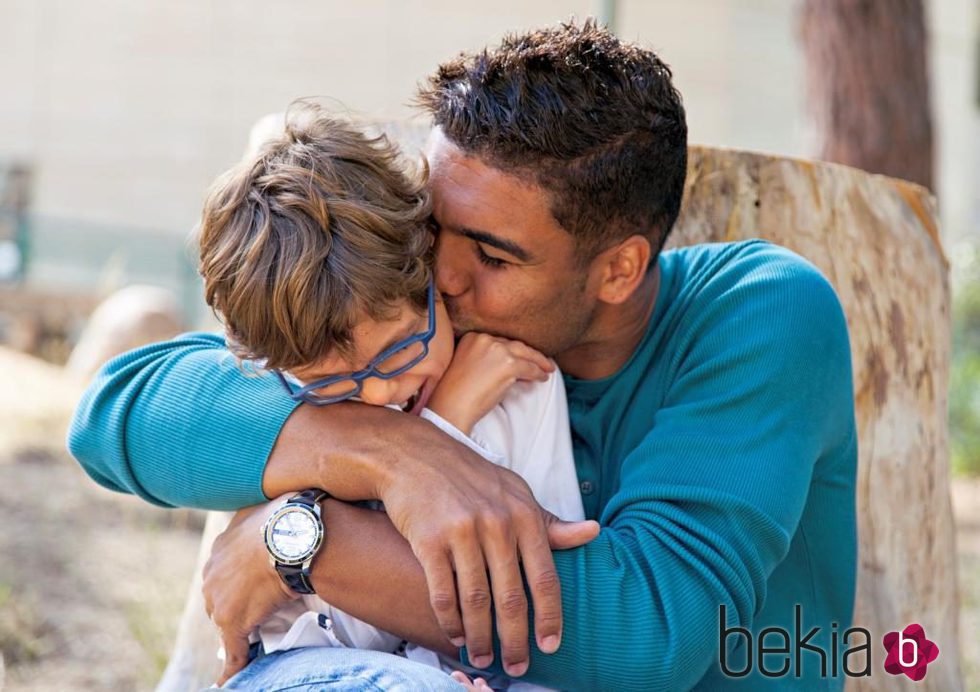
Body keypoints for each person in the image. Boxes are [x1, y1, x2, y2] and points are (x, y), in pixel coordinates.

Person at [69, 20, 857, 690]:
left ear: (618, 269)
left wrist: (306, 545)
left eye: (492, 255)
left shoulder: (759, 310)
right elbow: (120, 413)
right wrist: (393, 452)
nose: (441, 276)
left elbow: (645, 634)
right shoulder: (413, 341)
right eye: (436, 232)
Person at [195, 102, 589, 690]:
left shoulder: (519, 385)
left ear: (428, 268)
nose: (379, 393)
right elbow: (339, 629)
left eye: (401, 349)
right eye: (334, 381)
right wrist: (439, 427)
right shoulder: (296, 412)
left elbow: (535, 597)